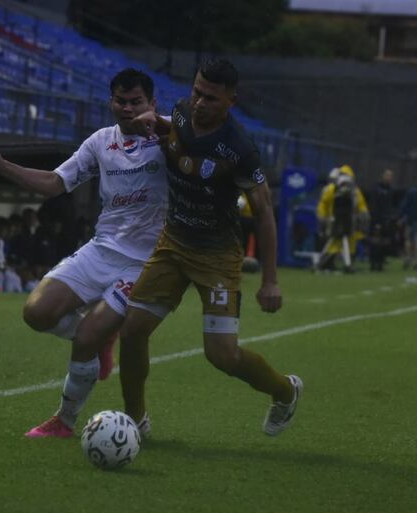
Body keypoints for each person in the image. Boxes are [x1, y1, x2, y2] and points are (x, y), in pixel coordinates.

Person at [0, 68, 168, 438]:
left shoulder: (170, 138)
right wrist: (0, 165)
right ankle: (99, 339)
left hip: (146, 263)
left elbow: (201, 134)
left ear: (152, 103)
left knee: (88, 335)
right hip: (101, 249)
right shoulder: (100, 142)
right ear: (111, 102)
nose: (127, 108)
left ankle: (65, 420)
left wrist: (166, 123)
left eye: (136, 101)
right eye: (120, 101)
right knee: (36, 312)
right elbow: (54, 183)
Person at [118, 58, 302, 437]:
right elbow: (177, 135)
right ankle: (136, 422)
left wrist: (270, 281)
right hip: (174, 242)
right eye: (197, 92)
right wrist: (155, 122)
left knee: (222, 356)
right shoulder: (182, 113)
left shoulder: (240, 150)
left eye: (212, 98)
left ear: (231, 100)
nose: (200, 103)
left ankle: (285, 390)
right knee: (132, 331)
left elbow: (264, 211)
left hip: (216, 255)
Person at [315, 165, 369, 273]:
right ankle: (328, 263)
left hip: (350, 220)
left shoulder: (354, 191)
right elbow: (323, 203)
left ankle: (348, 262)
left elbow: (361, 205)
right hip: (334, 219)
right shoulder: (331, 189)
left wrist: (364, 215)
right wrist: (322, 216)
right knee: (333, 242)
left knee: (350, 243)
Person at [368, 169, 396, 271]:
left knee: (384, 242)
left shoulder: (391, 190)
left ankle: (380, 263)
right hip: (376, 219)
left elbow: (389, 205)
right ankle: (373, 263)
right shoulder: (376, 188)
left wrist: (389, 217)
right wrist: (376, 220)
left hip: (386, 220)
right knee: (375, 241)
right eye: (387, 175)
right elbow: (373, 205)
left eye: (391, 176)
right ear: (383, 176)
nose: (389, 178)